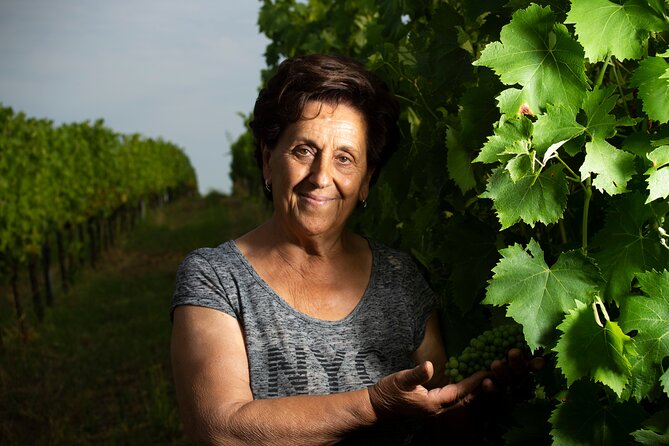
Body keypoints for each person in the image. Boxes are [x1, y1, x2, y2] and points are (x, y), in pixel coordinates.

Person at [170, 54, 519, 445]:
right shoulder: (216, 277)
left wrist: (483, 401)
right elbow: (221, 431)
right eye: (304, 150)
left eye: (345, 159)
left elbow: (433, 424)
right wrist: (371, 405)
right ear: (269, 161)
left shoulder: (401, 280)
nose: (321, 177)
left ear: (366, 180)